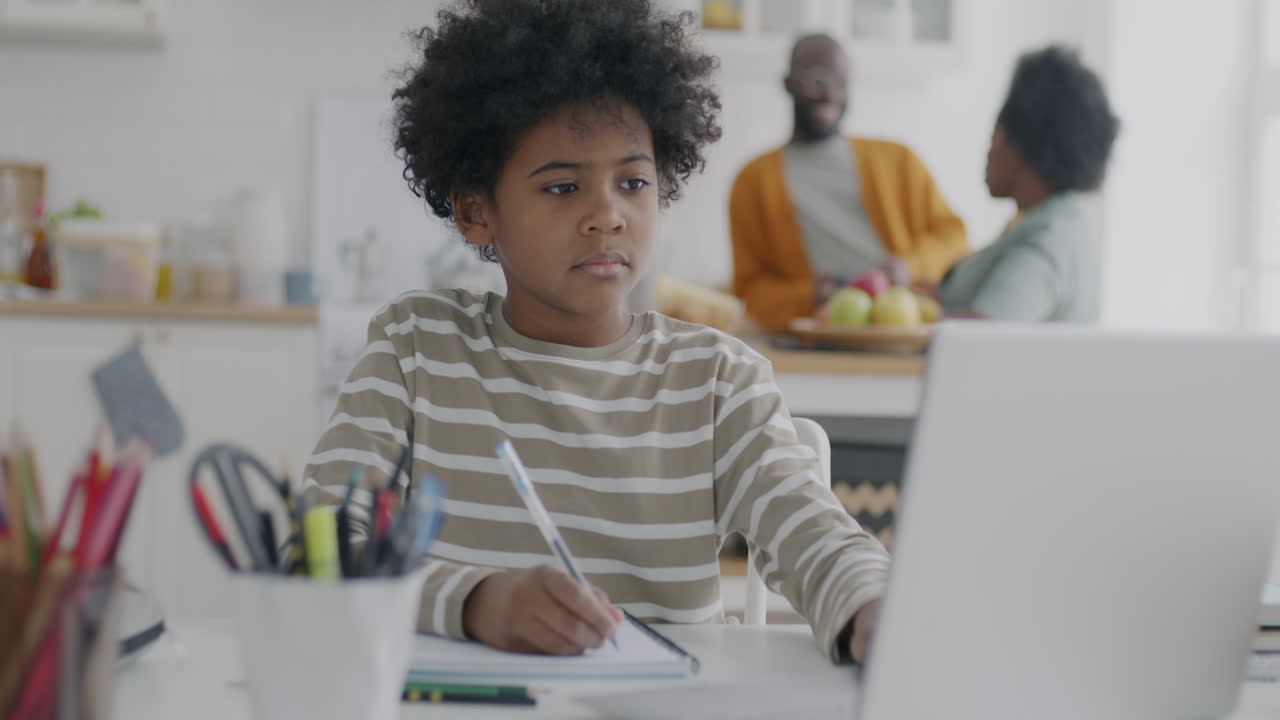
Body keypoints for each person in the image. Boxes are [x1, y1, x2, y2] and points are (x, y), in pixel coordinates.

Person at [303, 0, 889, 664]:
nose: (608, 215)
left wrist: (872, 608)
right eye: (562, 188)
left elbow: (818, 538)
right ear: (474, 211)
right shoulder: (415, 350)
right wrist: (474, 603)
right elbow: (321, 546)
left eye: (633, 182)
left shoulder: (716, 381)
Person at [729, 33, 967, 332]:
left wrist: (909, 268)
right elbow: (750, 289)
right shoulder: (753, 181)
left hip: (902, 326)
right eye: (817, 80)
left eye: (841, 82)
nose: (830, 94)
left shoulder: (900, 160)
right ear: (788, 84)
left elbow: (953, 236)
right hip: (817, 334)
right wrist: (810, 296)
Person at [935, 46, 1119, 321]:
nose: (988, 151)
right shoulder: (1050, 221)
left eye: (997, 132)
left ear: (1025, 143)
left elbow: (985, 334)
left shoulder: (1047, 240)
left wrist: (904, 320)